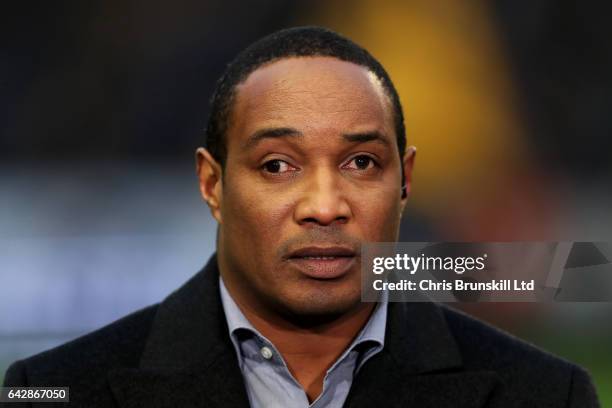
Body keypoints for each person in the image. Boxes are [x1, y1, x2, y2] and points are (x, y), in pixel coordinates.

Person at [2, 26, 599, 408]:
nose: (321, 204)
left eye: (361, 160)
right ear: (212, 182)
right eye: (277, 166)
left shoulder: (550, 391)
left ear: (403, 176)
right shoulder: (49, 388)